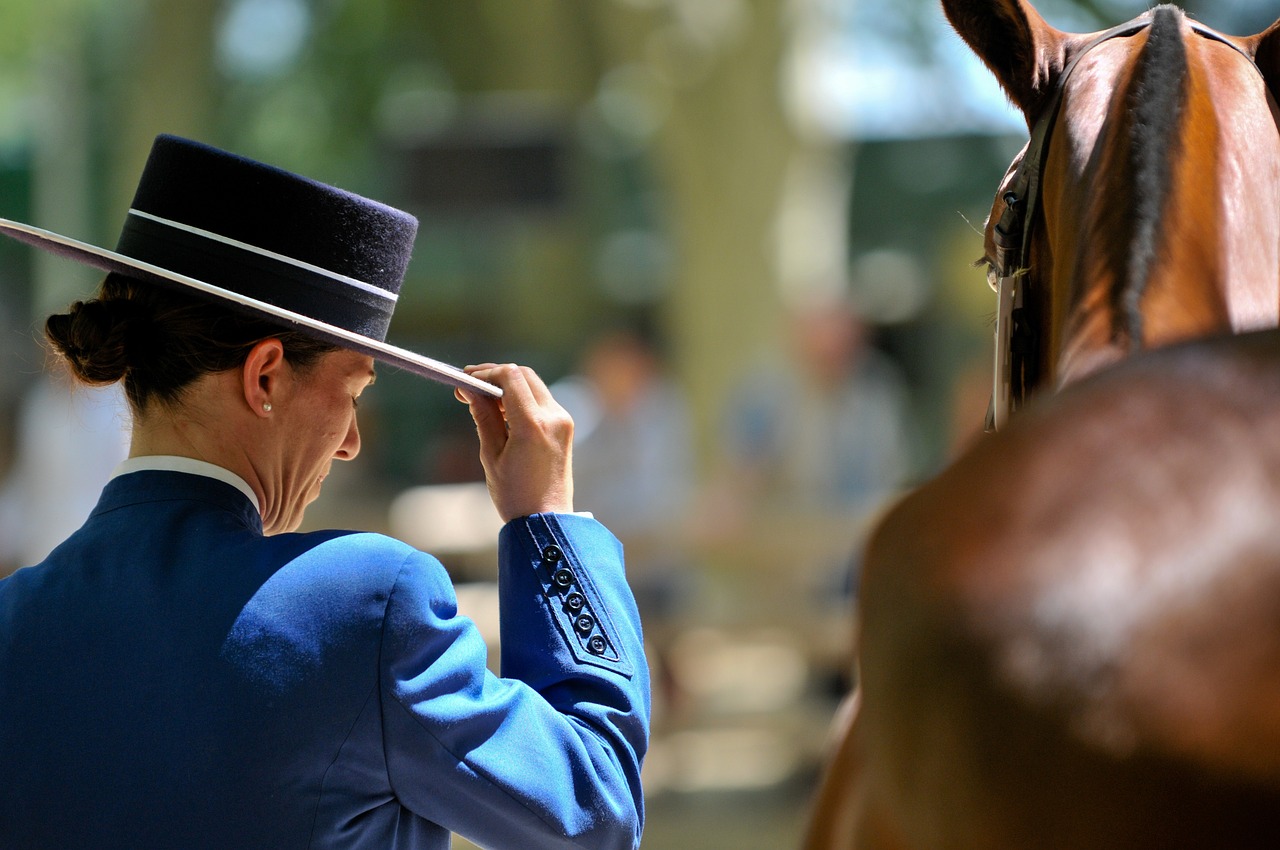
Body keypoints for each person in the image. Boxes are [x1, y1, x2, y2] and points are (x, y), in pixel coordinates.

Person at [0, 134, 649, 850]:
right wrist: (547, 526)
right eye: (353, 393)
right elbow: (595, 810)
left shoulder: (12, 621)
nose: (351, 443)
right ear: (266, 376)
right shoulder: (364, 606)